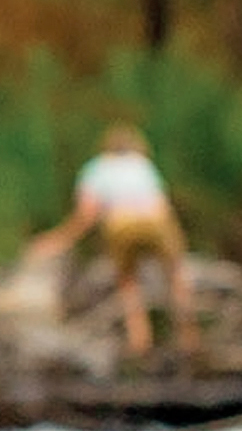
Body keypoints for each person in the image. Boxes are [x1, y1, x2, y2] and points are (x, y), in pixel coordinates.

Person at [16, 122, 201, 357]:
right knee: (175, 275)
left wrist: (58, 240)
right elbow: (163, 206)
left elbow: (86, 215)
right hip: (156, 221)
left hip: (120, 224)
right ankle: (190, 340)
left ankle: (140, 344)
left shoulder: (96, 169)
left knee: (128, 282)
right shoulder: (142, 164)